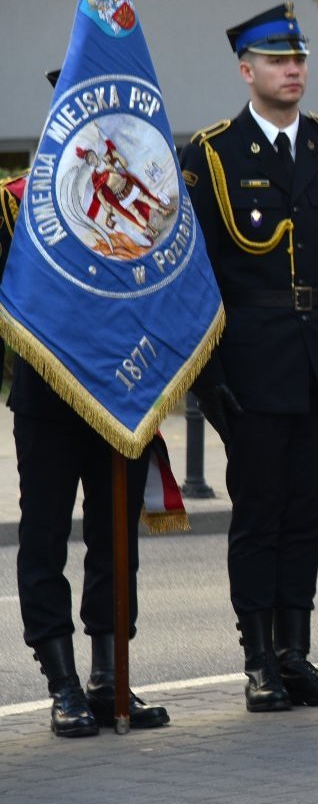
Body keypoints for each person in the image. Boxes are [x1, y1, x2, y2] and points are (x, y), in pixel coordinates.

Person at [182, 3, 318, 712]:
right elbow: (196, 276)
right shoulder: (210, 155)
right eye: (276, 60)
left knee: (307, 510)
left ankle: (297, 652)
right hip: (253, 365)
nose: (292, 69)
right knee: (259, 511)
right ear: (247, 70)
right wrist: (210, 378)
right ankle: (258, 659)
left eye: (298, 59)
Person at [6, 69, 167, 738]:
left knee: (116, 541)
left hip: (122, 395)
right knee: (44, 536)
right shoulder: (14, 203)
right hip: (47, 399)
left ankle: (110, 678)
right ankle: (62, 682)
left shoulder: (153, 204)